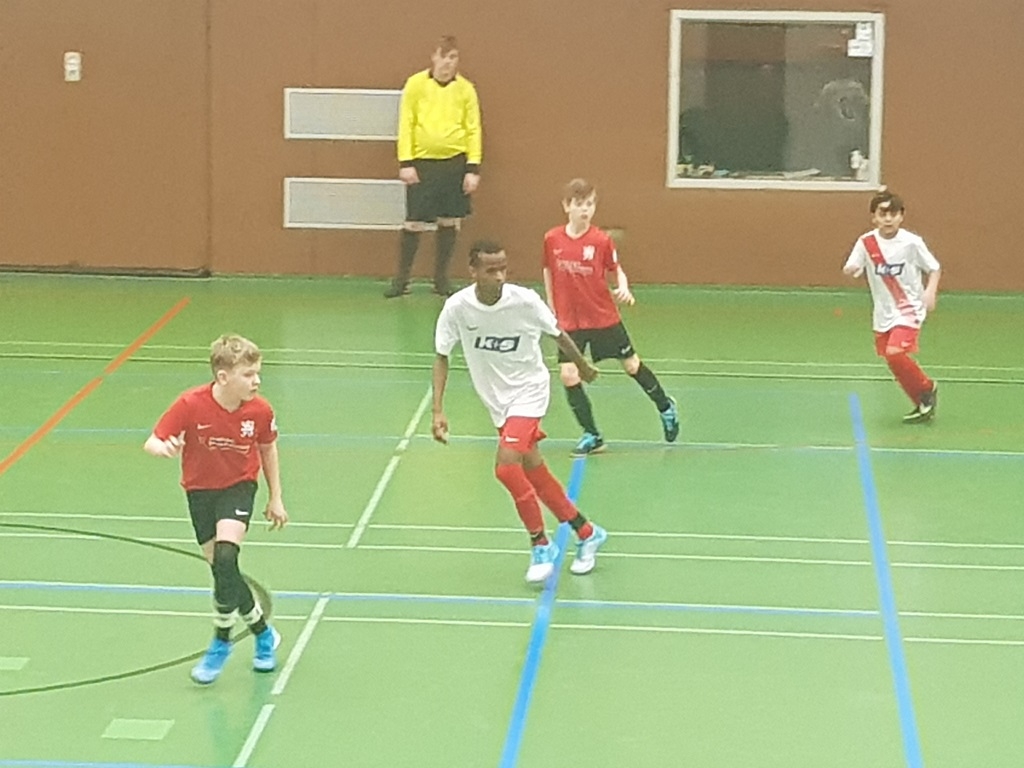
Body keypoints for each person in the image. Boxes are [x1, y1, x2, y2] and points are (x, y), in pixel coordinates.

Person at [432, 240, 608, 583]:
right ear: (473, 271)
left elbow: (558, 334)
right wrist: (437, 410)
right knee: (535, 473)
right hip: (497, 402)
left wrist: (582, 366)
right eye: (490, 270)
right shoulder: (457, 308)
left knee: (506, 466)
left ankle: (540, 543)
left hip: (529, 392)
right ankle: (587, 532)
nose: (499, 276)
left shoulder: (525, 301)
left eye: (503, 269)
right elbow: (441, 356)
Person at [144, 334, 288, 684]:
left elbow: (268, 450)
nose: (256, 381)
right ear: (223, 377)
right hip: (200, 493)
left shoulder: (260, 411)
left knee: (226, 556)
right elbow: (152, 440)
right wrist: (163, 449)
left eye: (257, 373)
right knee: (224, 572)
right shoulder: (191, 404)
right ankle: (262, 632)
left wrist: (276, 497)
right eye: (248, 375)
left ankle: (220, 643)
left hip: (238, 487)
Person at [542, 178, 680, 456]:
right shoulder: (552, 239)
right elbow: (548, 270)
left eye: (590, 204)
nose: (585, 210)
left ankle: (665, 406)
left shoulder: (600, 241)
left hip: (602, 317)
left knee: (631, 366)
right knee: (568, 375)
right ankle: (592, 435)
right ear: (566, 206)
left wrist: (623, 287)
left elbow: (616, 269)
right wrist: (551, 306)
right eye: (579, 204)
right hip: (569, 321)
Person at [384, 35, 483, 299]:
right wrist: (406, 162)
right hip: (422, 164)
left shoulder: (466, 89)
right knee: (414, 222)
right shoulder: (415, 85)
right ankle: (401, 280)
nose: (448, 63)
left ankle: (441, 280)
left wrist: (473, 168)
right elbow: (406, 124)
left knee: (449, 221)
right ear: (434, 57)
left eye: (453, 57)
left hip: (455, 163)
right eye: (444, 56)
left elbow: (473, 129)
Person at [843, 188, 941, 422]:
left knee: (895, 353)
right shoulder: (866, 243)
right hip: (883, 312)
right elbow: (853, 266)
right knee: (892, 359)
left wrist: (930, 291)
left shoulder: (911, 243)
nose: (888, 219)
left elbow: (934, 268)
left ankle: (926, 388)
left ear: (901, 216)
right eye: (883, 214)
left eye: (893, 214)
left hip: (909, 309)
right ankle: (921, 401)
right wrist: (851, 269)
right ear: (874, 217)